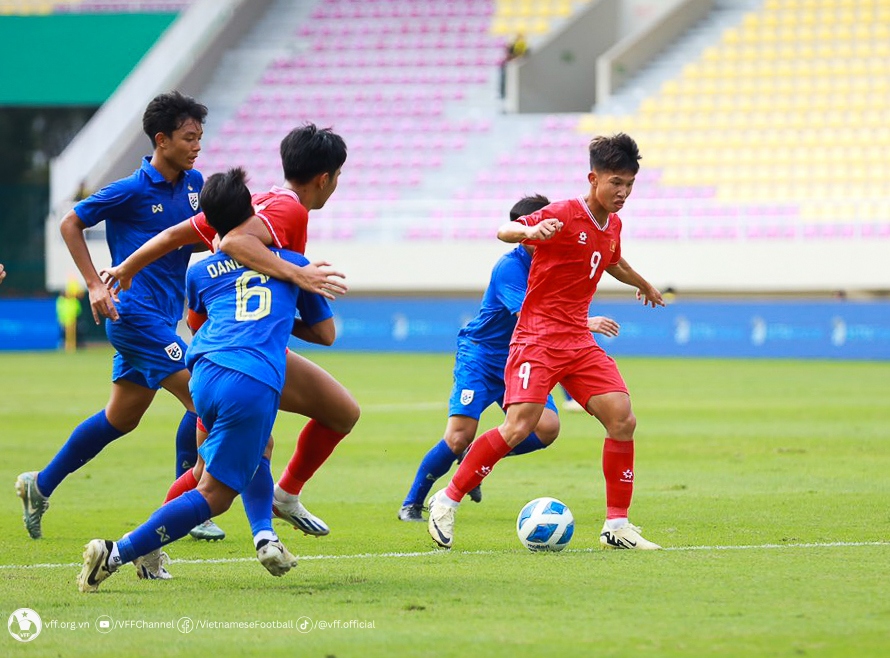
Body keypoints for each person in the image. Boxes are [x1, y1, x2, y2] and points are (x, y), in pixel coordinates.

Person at [101, 124, 359, 555]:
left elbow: (173, 236)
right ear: (325, 178)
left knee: (336, 414)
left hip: (223, 348)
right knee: (216, 480)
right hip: (245, 351)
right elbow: (237, 242)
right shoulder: (287, 212)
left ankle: (275, 504)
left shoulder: (254, 202)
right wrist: (298, 276)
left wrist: (127, 267)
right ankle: (148, 545)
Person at [78, 167, 322, 591]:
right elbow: (326, 334)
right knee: (213, 494)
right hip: (252, 378)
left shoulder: (200, 271)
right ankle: (116, 552)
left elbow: (197, 321)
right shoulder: (293, 263)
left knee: (247, 451)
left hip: (203, 374)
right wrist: (287, 300)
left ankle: (265, 535)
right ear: (250, 211)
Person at [427, 133, 665, 551]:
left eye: (629, 184)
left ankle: (618, 524)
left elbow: (614, 260)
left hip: (577, 339)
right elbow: (504, 231)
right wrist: (532, 230)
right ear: (594, 178)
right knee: (518, 427)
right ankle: (447, 500)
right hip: (536, 339)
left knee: (622, 420)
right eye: (616, 183)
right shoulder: (563, 213)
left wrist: (643, 283)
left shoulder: (613, 224)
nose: (623, 192)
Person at [15, 91, 209, 542]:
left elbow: (191, 238)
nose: (197, 146)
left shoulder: (196, 184)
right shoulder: (132, 189)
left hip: (163, 316)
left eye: (200, 137)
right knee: (204, 399)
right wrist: (96, 284)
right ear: (161, 141)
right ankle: (193, 506)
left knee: (120, 419)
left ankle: (39, 485)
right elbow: (70, 223)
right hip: (134, 316)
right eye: (188, 138)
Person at [398, 195, 620, 522]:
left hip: (526, 354)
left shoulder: (558, 261)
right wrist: (587, 322)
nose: (546, 235)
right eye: (539, 229)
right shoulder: (510, 267)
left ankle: (478, 458)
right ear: (523, 231)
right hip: (484, 356)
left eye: (552, 227)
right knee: (459, 436)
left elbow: (562, 331)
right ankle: (413, 503)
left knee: (547, 427)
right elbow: (532, 315)